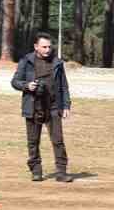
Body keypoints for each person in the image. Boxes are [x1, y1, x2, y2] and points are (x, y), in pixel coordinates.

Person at [10, 32, 72, 182]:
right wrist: (27, 85)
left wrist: (66, 105)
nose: (47, 50)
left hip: (53, 107)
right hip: (33, 107)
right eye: (44, 47)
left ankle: (61, 172)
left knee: (58, 140)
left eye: (49, 47)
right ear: (36, 47)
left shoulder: (57, 63)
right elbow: (15, 81)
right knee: (33, 141)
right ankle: (36, 171)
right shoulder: (26, 61)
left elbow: (64, 86)